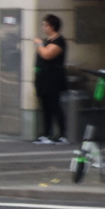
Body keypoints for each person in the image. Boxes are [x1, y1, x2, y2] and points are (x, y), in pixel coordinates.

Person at [32, 15, 69, 145]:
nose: (43, 27)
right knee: (45, 106)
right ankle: (46, 133)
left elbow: (47, 55)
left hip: (53, 79)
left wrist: (39, 44)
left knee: (55, 105)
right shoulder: (47, 40)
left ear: (51, 26)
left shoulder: (59, 41)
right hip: (42, 78)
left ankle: (63, 134)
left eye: (45, 25)